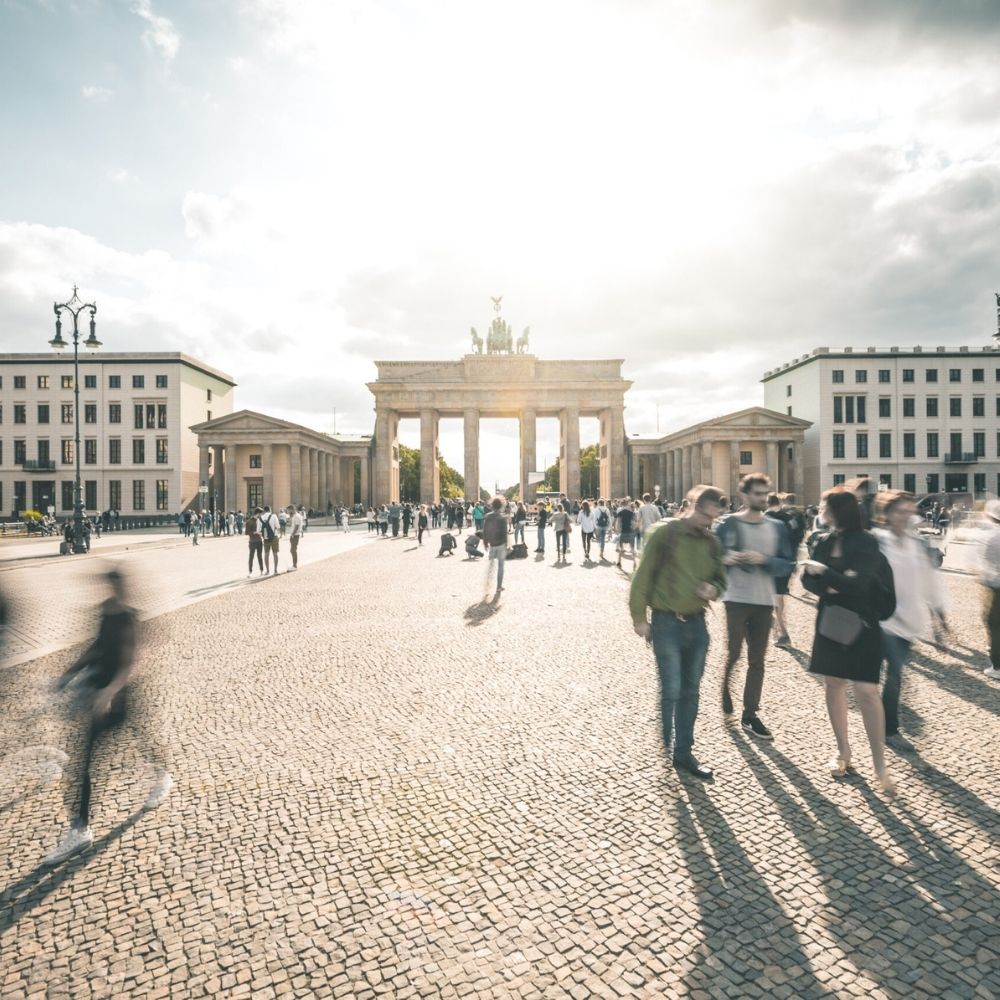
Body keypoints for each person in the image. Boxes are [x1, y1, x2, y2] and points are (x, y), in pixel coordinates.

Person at [45, 569, 171, 863]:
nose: (108, 591)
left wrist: (110, 693)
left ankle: (160, 775)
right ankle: (81, 827)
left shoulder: (127, 617)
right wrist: (67, 675)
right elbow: (96, 648)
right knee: (88, 758)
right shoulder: (105, 611)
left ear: (121, 587)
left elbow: (129, 663)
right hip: (101, 693)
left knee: (136, 738)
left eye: (112, 586)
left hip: (119, 696)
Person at [630, 485, 728, 781]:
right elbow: (642, 576)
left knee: (691, 691)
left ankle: (683, 753)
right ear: (691, 506)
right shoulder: (665, 533)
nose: (708, 522)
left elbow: (720, 578)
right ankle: (668, 742)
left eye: (714, 517)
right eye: (705, 515)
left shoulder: (711, 541)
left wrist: (715, 588)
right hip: (666, 623)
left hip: (697, 624)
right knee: (671, 688)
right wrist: (639, 617)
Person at [802, 487, 896, 793]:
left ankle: (880, 764)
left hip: (863, 625)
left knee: (867, 691)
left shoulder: (867, 542)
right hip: (831, 623)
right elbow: (806, 579)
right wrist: (833, 584)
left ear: (835, 511)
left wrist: (827, 576)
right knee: (833, 684)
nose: (820, 510)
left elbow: (859, 585)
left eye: (823, 506)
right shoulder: (823, 539)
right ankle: (843, 751)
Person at [715, 474, 794, 741]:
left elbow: (787, 564)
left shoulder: (777, 528)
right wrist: (728, 558)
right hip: (735, 598)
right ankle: (725, 686)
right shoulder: (727, 525)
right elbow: (711, 556)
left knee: (757, 660)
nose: (762, 498)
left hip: (763, 601)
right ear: (745, 496)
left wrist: (765, 560)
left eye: (765, 493)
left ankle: (750, 714)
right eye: (758, 493)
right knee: (735, 652)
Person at [872, 489, 948, 751]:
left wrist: (940, 620)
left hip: (908, 622)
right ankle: (888, 728)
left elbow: (929, 583)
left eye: (909, 511)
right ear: (887, 514)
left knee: (895, 675)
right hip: (882, 620)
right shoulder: (877, 542)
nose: (906, 516)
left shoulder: (916, 545)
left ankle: (885, 723)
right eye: (900, 511)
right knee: (893, 674)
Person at [765, 493, 807, 647]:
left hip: (770, 562)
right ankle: (778, 628)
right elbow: (799, 537)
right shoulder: (792, 518)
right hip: (788, 562)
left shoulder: (765, 519)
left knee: (775, 598)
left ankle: (783, 632)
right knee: (778, 596)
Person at [978, 499, 1000, 681]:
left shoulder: (991, 536)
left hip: (996, 586)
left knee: (994, 624)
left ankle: (997, 666)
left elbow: (984, 563)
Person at [482, 496, 508, 595]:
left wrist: (485, 542)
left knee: (491, 564)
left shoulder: (488, 516)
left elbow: (485, 530)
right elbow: (505, 533)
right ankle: (499, 586)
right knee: (501, 566)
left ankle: (488, 583)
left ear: (492, 505)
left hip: (492, 544)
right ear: (501, 505)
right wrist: (507, 545)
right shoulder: (502, 517)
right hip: (501, 544)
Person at [615, 498, 637, 569]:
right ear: (628, 504)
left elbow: (618, 523)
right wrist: (633, 529)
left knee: (621, 548)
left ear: (622, 504)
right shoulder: (632, 513)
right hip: (630, 532)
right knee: (632, 548)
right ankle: (634, 562)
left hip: (623, 532)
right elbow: (634, 522)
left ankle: (619, 562)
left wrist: (618, 530)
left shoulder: (620, 513)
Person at [259, 505, 281, 575]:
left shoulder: (261, 518)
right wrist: (280, 534)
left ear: (264, 511)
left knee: (266, 554)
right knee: (275, 553)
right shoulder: (274, 516)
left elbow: (259, 530)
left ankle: (267, 570)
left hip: (266, 538)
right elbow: (278, 527)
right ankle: (275, 570)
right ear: (270, 509)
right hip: (274, 536)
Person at [247, 506, 264, 576]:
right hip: (252, 541)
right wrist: (254, 532)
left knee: (260, 556)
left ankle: (261, 570)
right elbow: (246, 532)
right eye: (261, 514)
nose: (262, 515)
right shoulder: (249, 521)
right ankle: (250, 572)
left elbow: (262, 530)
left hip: (259, 541)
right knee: (251, 557)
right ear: (258, 513)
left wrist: (261, 533)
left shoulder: (260, 521)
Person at [286, 504, 303, 571]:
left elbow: (296, 526)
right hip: (294, 535)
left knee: (293, 550)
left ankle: (294, 565)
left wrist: (292, 534)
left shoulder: (296, 516)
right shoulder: (295, 516)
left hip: (295, 535)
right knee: (292, 550)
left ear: (292, 509)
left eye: (288, 510)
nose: (288, 512)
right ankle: (294, 565)